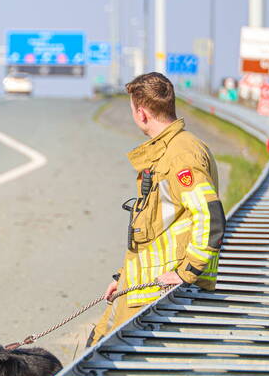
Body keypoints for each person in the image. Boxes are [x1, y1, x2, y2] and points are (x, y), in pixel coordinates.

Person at [91, 72, 226, 344]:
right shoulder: (169, 151)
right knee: (96, 345)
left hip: (160, 293)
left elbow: (210, 218)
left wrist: (185, 273)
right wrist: (125, 278)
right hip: (142, 288)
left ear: (141, 113)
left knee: (103, 364)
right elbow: (158, 228)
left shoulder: (181, 156)